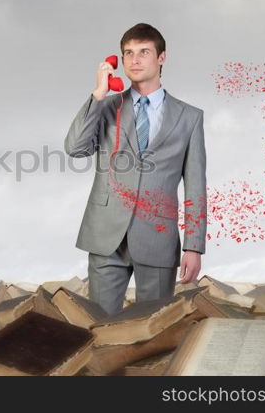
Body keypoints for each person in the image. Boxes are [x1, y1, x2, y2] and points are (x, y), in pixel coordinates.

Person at [64, 23, 207, 315]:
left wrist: (194, 246)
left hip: (157, 237)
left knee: (151, 331)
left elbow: (195, 185)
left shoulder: (190, 118)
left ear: (161, 58)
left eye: (144, 52)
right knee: (100, 328)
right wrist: (98, 94)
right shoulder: (105, 106)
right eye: (128, 53)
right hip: (106, 236)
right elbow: (75, 148)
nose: (134, 60)